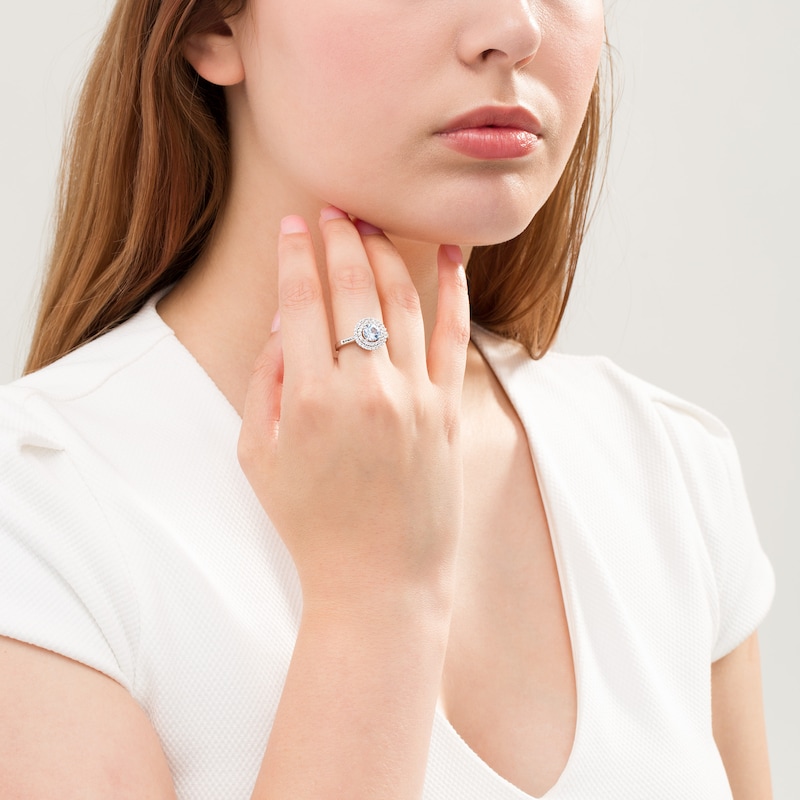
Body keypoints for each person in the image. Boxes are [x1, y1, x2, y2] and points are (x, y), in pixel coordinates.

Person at [0, 0, 775, 798]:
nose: (515, 27)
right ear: (216, 28)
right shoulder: (38, 520)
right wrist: (374, 604)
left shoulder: (671, 470)